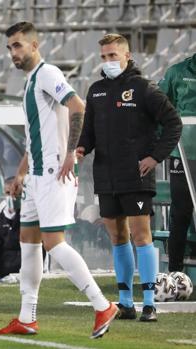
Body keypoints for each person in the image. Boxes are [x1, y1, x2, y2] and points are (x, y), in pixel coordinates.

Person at [0, 22, 117, 339]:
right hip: (36, 174)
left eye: (18, 45)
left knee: (53, 243)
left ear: (35, 45)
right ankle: (26, 317)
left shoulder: (48, 74)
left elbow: (78, 106)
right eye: (10, 47)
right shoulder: (32, 81)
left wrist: (71, 154)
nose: (13, 53)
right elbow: (36, 137)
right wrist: (21, 173)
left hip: (52, 173)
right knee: (29, 245)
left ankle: (102, 304)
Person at [77, 34, 182, 322]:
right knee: (117, 237)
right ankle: (125, 302)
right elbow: (89, 131)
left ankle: (149, 303)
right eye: (104, 57)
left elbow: (174, 124)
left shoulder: (144, 88)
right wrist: (81, 148)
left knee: (140, 236)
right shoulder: (96, 90)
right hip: (106, 176)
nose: (108, 61)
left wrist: (155, 157)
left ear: (127, 56)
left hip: (137, 176)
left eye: (113, 56)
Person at [159, 53, 196, 274]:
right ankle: (175, 274)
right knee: (181, 213)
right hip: (182, 154)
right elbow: (162, 110)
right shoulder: (177, 72)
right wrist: (162, 146)